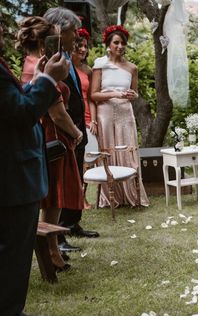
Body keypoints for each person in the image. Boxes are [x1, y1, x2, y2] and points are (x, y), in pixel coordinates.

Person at [0, 19, 70, 316]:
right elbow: (22, 113)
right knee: (13, 251)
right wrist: (50, 81)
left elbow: (15, 104)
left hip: (15, 171)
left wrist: (40, 78)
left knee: (16, 249)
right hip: (11, 174)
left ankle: (10, 311)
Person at [17, 16, 85, 272]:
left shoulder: (35, 63)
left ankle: (54, 247)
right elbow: (56, 111)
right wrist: (77, 133)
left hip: (52, 133)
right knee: (55, 195)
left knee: (55, 195)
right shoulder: (40, 66)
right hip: (54, 134)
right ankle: (51, 251)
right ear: (44, 41)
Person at [44, 7, 99, 251]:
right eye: (72, 30)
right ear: (58, 30)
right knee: (61, 184)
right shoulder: (52, 60)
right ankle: (60, 236)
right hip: (63, 130)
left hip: (77, 126)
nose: (77, 35)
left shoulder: (67, 56)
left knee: (76, 178)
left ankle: (73, 222)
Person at [90, 24, 149, 208]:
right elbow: (93, 94)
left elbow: (136, 93)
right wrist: (115, 94)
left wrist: (132, 95)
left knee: (128, 150)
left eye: (123, 43)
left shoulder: (132, 68)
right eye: (116, 42)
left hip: (125, 113)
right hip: (105, 113)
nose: (120, 46)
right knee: (108, 151)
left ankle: (131, 194)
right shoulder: (100, 65)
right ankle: (110, 196)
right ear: (109, 44)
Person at [72, 27, 98, 152]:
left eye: (85, 46)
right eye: (79, 45)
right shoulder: (64, 68)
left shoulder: (88, 70)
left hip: (88, 120)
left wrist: (93, 120)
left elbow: (91, 98)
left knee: (92, 157)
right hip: (72, 120)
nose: (83, 49)